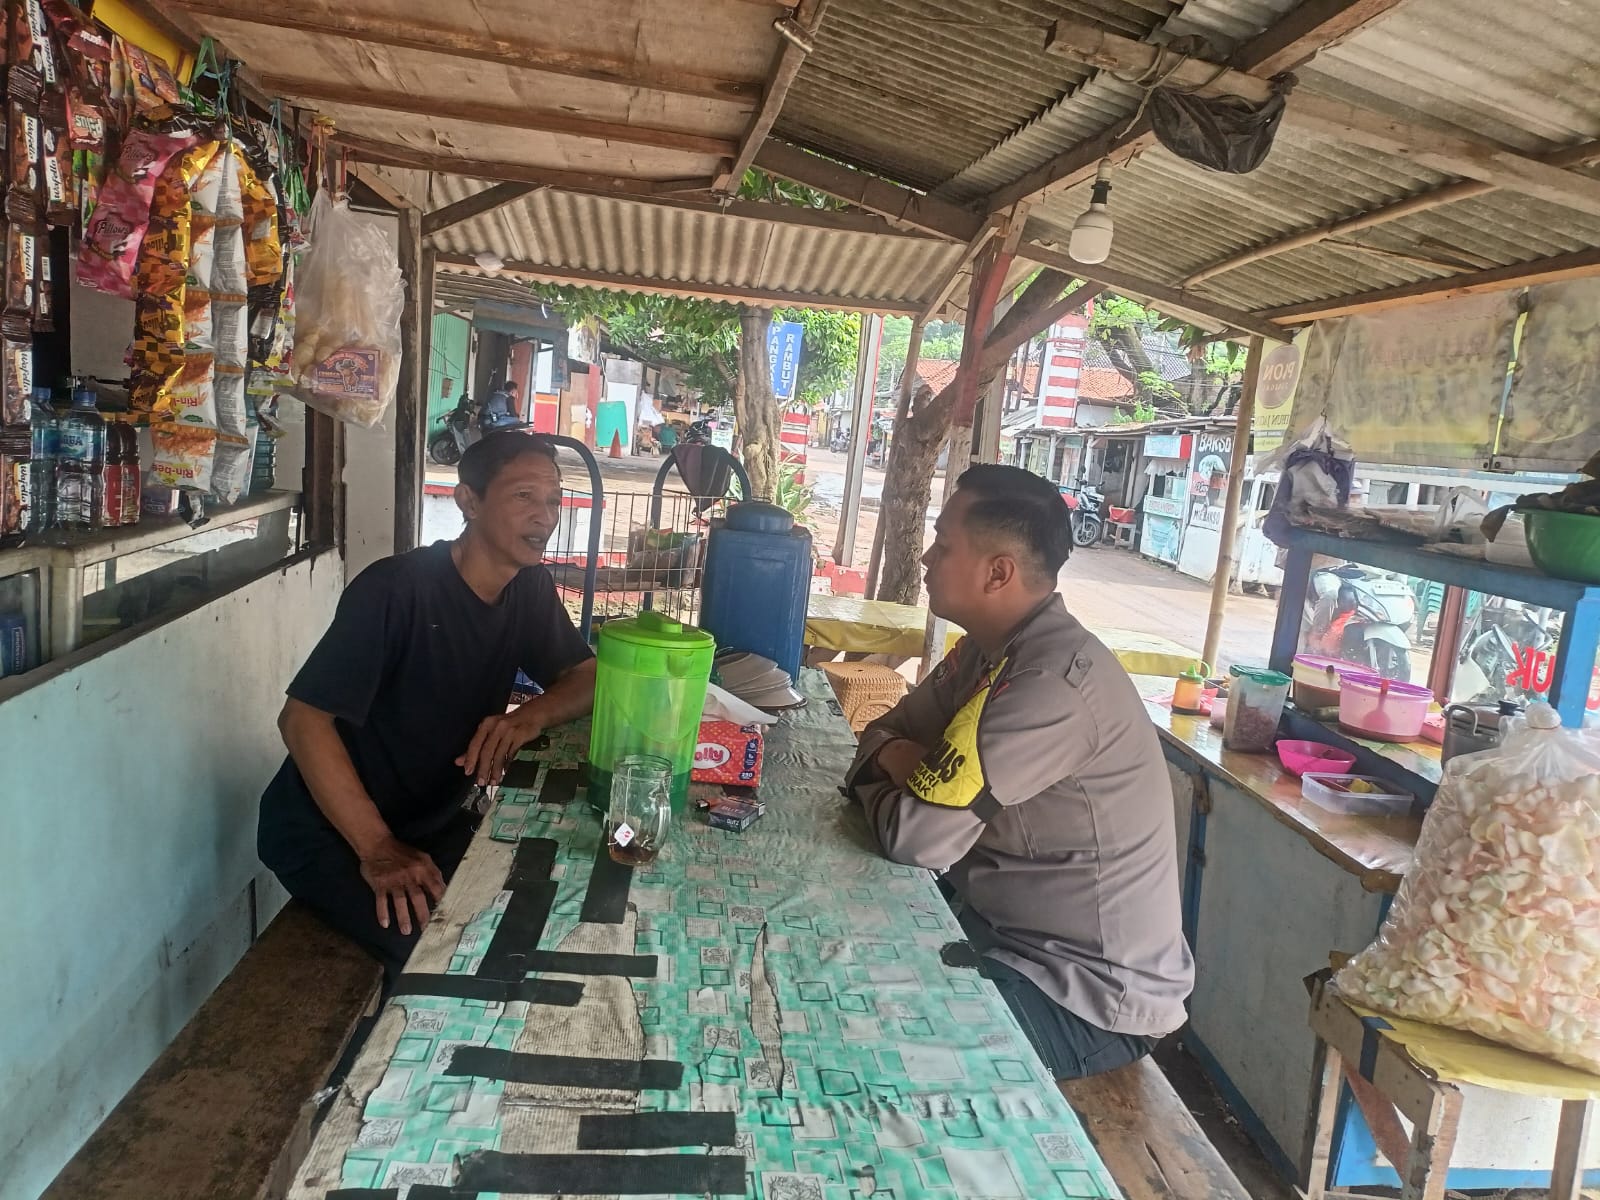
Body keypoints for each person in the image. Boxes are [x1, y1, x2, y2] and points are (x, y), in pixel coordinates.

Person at [843, 464, 1193, 1079]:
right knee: (837, 962)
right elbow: (879, 731)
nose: (926, 557)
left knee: (874, 1053)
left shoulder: (1048, 686)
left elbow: (914, 837)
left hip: (1081, 992)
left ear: (997, 572)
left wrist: (898, 762)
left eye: (943, 544)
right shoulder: (987, 653)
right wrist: (904, 762)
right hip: (995, 930)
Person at [258, 433, 596, 982]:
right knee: (446, 962)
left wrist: (527, 718)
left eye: (554, 500)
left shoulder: (528, 586)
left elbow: (586, 677)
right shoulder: (397, 589)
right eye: (523, 496)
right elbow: (302, 721)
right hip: (332, 831)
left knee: (540, 910)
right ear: (468, 501)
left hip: (433, 821)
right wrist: (377, 847)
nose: (545, 516)